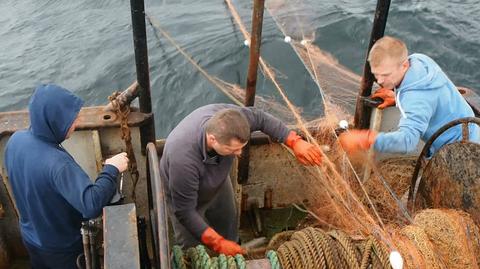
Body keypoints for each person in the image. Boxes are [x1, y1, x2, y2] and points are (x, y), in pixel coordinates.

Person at [159, 104, 322, 255]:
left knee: (228, 220)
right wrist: (218, 244)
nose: (239, 154)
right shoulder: (183, 160)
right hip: (186, 197)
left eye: (241, 147)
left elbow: (261, 118)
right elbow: (185, 211)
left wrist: (295, 142)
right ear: (212, 139)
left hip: (218, 182)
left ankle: (234, 249)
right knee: (193, 247)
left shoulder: (233, 119)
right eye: (233, 149)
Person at [4, 84, 129, 268]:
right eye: (70, 120)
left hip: (30, 237)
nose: (76, 124)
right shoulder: (58, 164)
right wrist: (111, 169)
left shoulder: (15, 141)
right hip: (61, 251)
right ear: (53, 121)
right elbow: (91, 204)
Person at [340, 36, 479, 157]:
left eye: (386, 75)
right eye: (376, 74)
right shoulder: (419, 60)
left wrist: (365, 138)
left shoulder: (416, 100)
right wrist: (398, 97)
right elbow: (427, 97)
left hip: (463, 151)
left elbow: (407, 142)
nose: (380, 81)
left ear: (404, 65)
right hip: (472, 130)